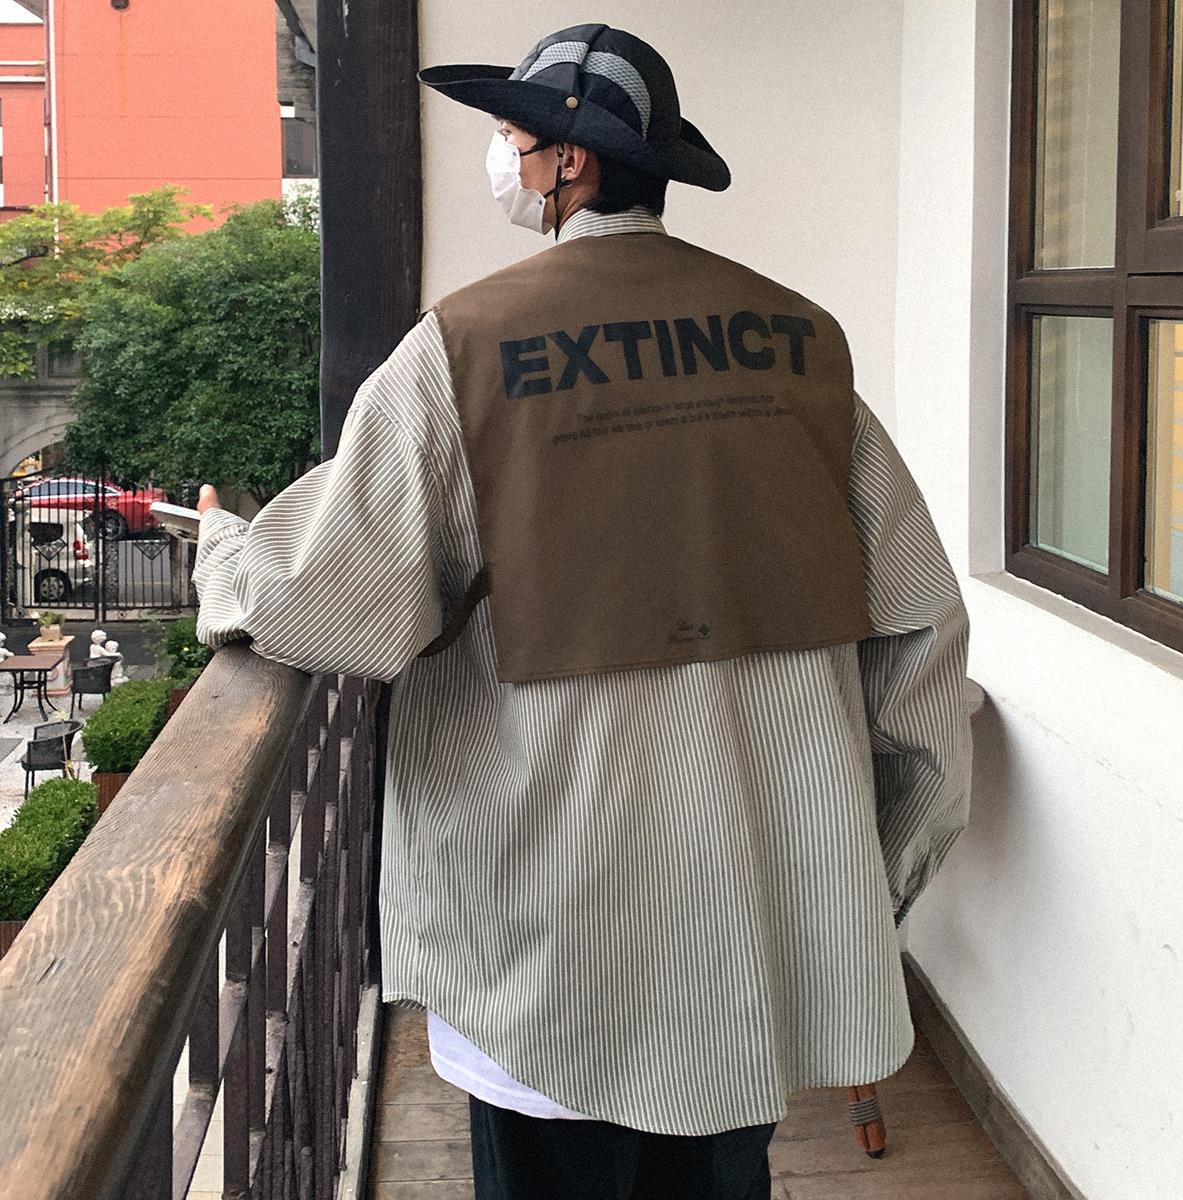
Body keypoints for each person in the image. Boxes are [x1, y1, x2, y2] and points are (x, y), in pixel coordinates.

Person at [192, 22, 972, 1200]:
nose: (501, 158)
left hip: (553, 958)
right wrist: (865, 880)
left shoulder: (462, 351)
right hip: (754, 941)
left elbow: (322, 594)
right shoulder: (802, 346)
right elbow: (921, 636)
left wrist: (220, 551)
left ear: (573, 159)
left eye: (513, 136)